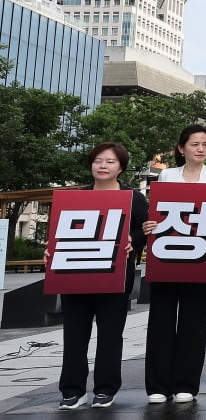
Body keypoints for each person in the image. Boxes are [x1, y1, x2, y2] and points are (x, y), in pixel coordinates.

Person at [141, 125, 206, 405]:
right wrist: (150, 225)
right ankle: (158, 384)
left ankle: (186, 384)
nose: (201, 149)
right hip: (167, 255)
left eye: (205, 144)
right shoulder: (167, 175)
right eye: (194, 144)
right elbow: (159, 211)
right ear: (181, 149)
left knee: (193, 320)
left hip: (200, 256)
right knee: (161, 319)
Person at [57, 142, 148, 410]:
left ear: (121, 167)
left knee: (110, 334)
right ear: (91, 165)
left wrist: (134, 239)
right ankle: (72, 390)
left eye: (110, 161)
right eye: (98, 160)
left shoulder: (133, 198)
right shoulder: (76, 196)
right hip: (76, 272)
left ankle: (105, 388)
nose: (103, 165)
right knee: (74, 333)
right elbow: (61, 232)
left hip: (115, 275)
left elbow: (147, 228)